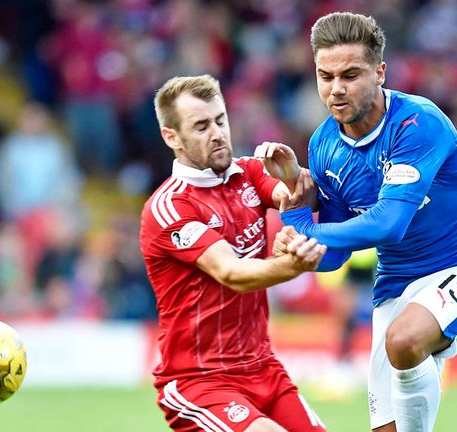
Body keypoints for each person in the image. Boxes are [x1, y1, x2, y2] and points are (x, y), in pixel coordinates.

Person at [256, 12, 457, 432]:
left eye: (350, 74)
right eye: (326, 76)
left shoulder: (417, 122)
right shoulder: (324, 144)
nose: (336, 89)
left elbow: (388, 224)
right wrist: (296, 214)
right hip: (396, 287)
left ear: (379, 72)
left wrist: (307, 231)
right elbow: (334, 258)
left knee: (405, 340)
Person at [139, 75, 328, 432]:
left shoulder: (249, 173)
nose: (217, 133)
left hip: (263, 368)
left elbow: (304, 200)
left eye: (220, 120)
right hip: (199, 380)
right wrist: (292, 265)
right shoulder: (170, 208)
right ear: (171, 137)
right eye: (201, 126)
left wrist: (293, 178)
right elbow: (232, 273)